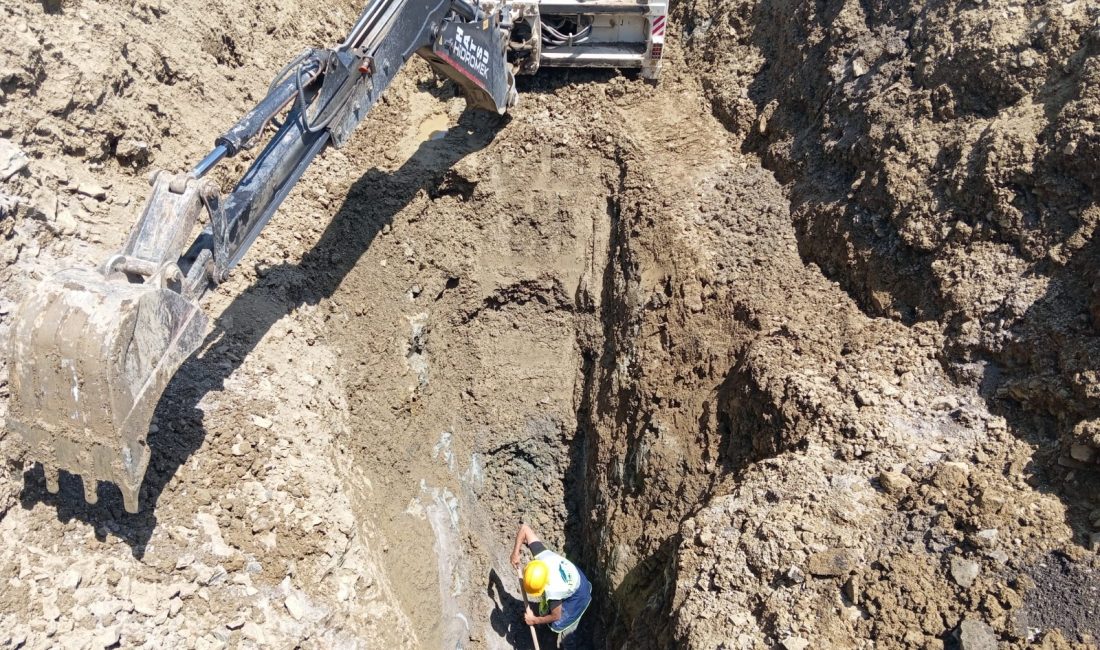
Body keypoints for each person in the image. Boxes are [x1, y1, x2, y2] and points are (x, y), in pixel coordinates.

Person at [510, 523, 592, 646]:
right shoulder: (542, 556)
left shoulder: (553, 590)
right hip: (574, 576)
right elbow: (524, 528)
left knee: (563, 631)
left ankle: (571, 643)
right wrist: (515, 552)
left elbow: (556, 616)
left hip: (579, 596)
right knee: (549, 610)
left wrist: (534, 620)